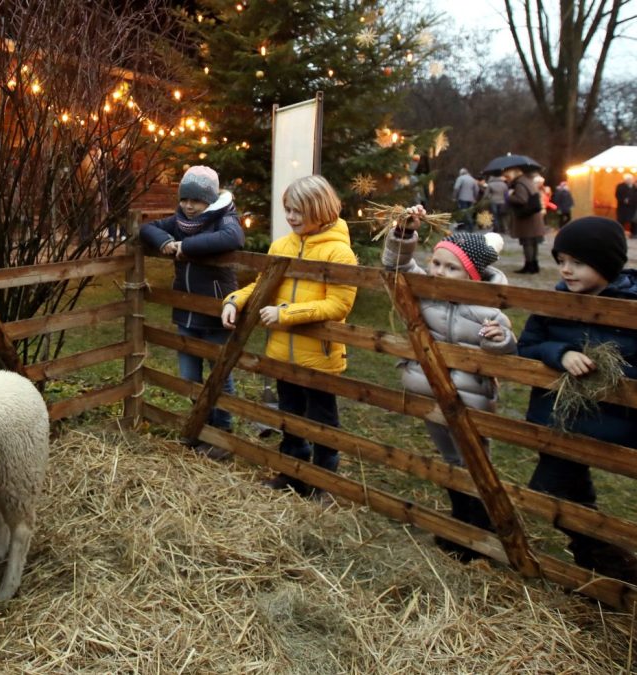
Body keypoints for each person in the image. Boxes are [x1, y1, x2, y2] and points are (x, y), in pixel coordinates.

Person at [382, 207, 517, 561]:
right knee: (449, 457)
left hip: (471, 399)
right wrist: (403, 234)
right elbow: (396, 266)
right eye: (436, 263)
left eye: (450, 267)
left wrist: (497, 339)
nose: (439, 272)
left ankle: (483, 526)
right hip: (431, 394)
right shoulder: (428, 294)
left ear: (472, 275)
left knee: (474, 458)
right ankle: (462, 520)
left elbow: (506, 345)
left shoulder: (489, 308)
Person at [220, 175, 357, 499]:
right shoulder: (281, 247)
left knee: (323, 422)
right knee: (289, 416)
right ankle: (292, 474)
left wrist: (286, 314)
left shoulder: (339, 253)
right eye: (288, 210)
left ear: (319, 209)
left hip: (319, 357)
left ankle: (324, 481)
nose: (291, 217)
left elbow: (339, 304)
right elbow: (261, 286)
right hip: (283, 354)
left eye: (298, 211)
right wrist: (233, 301)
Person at [518, 216, 637, 583]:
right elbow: (527, 346)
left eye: (578, 262)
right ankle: (602, 557)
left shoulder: (630, 307)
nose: (566, 270)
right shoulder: (554, 303)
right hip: (561, 423)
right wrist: (561, 352)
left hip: (615, 424)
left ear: (606, 262)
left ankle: (603, 558)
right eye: (561, 260)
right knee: (550, 489)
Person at [140, 166, 245, 460]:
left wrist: (186, 247)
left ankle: (221, 435)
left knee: (219, 376)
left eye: (196, 201)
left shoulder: (224, 219)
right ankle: (199, 427)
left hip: (214, 314)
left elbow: (232, 239)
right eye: (185, 199)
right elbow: (145, 228)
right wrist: (165, 242)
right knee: (189, 377)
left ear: (209, 200)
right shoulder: (180, 221)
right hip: (186, 314)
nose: (189, 205)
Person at [504, 167, 545, 274]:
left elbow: (521, 199)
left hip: (527, 218)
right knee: (533, 242)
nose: (506, 178)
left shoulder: (519, 183)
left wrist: (508, 196)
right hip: (533, 217)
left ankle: (529, 266)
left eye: (507, 175)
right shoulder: (528, 181)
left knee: (528, 242)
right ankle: (534, 265)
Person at [616, 173, 636, 238]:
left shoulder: (634, 186)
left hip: (633, 207)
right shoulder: (620, 186)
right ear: (625, 180)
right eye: (629, 179)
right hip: (623, 208)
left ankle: (633, 233)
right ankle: (620, 233)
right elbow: (618, 195)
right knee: (621, 221)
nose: (631, 180)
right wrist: (624, 200)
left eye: (631, 179)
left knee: (633, 220)